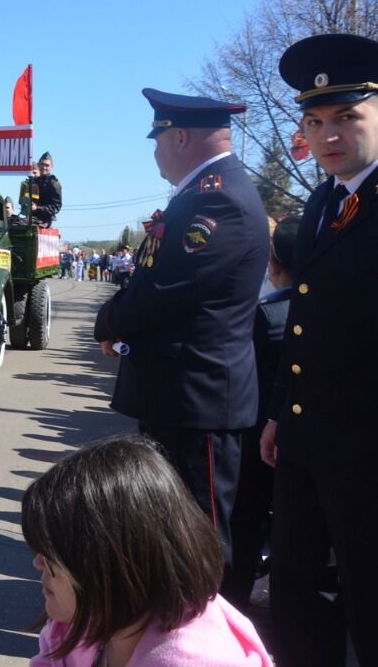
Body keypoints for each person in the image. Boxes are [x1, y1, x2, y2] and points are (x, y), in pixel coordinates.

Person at [94, 89, 268, 577]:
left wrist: (107, 322)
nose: (155, 152)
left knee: (199, 542)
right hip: (178, 397)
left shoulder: (219, 200)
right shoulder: (200, 195)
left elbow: (165, 290)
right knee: (171, 538)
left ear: (182, 137)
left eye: (159, 138)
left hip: (198, 402)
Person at [0, 435, 272, 667]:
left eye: (52, 552)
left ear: (111, 563)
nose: (37, 562)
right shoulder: (84, 625)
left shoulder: (194, 659)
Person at [260, 33, 378, 667]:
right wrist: (281, 411)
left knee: (367, 604)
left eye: (347, 117)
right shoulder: (325, 200)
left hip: (366, 455)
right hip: (307, 444)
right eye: (315, 121)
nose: (328, 135)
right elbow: (303, 323)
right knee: (296, 600)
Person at [226, 215, 297, 610]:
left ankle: (234, 603)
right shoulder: (333, 309)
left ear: (273, 265)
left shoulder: (265, 315)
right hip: (308, 440)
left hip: (257, 435)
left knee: (247, 520)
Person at [23, 151, 63, 226]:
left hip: (44, 220)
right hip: (31, 217)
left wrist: (37, 208)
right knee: (10, 220)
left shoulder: (54, 184)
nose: (44, 167)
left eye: (47, 165)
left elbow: (56, 207)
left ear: (52, 166)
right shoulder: (34, 182)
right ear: (38, 165)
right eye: (42, 164)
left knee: (19, 223)